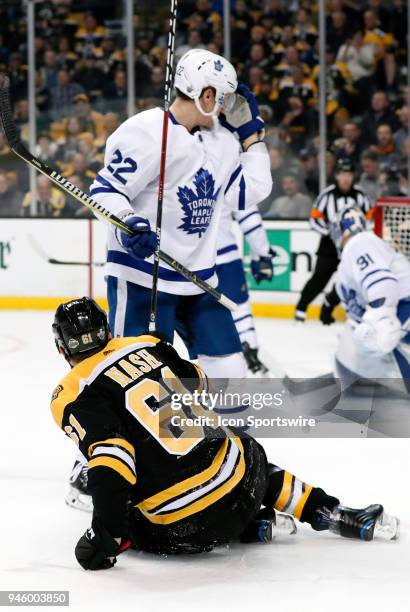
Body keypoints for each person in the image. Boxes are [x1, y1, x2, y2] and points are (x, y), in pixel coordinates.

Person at [51, 297, 399, 570]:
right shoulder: (143, 344)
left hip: (182, 528)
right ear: (107, 330)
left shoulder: (71, 391)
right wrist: (163, 352)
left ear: (62, 348)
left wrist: (106, 538)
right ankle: (331, 512)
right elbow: (200, 384)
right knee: (231, 447)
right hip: (245, 483)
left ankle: (254, 527)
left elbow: (115, 457)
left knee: (132, 509)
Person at [89, 49, 272, 379]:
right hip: (143, 278)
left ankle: (231, 432)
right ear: (206, 94)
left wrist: (251, 139)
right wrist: (127, 225)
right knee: (139, 382)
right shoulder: (146, 131)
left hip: (200, 280)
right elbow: (105, 192)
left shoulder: (222, 141)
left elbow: (251, 191)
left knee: (231, 372)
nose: (226, 108)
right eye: (224, 99)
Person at [329, 206, 410, 387]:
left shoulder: (359, 242)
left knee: (384, 338)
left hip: (404, 306)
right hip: (399, 309)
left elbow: (382, 282)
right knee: (355, 340)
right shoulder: (348, 261)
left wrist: (382, 318)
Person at [294, 158, 373, 323]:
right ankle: (300, 311)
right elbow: (314, 219)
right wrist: (331, 233)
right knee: (319, 280)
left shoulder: (361, 196)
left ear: (353, 176)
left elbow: (370, 219)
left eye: (349, 174)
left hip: (353, 247)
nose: (345, 178)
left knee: (348, 281)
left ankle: (326, 312)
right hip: (329, 247)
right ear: (336, 175)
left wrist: (360, 235)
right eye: (342, 174)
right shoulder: (327, 195)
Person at [215, 204, 274, 374]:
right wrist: (262, 254)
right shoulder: (230, 176)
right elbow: (249, 218)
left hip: (185, 263)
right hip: (226, 258)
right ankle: (251, 357)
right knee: (239, 310)